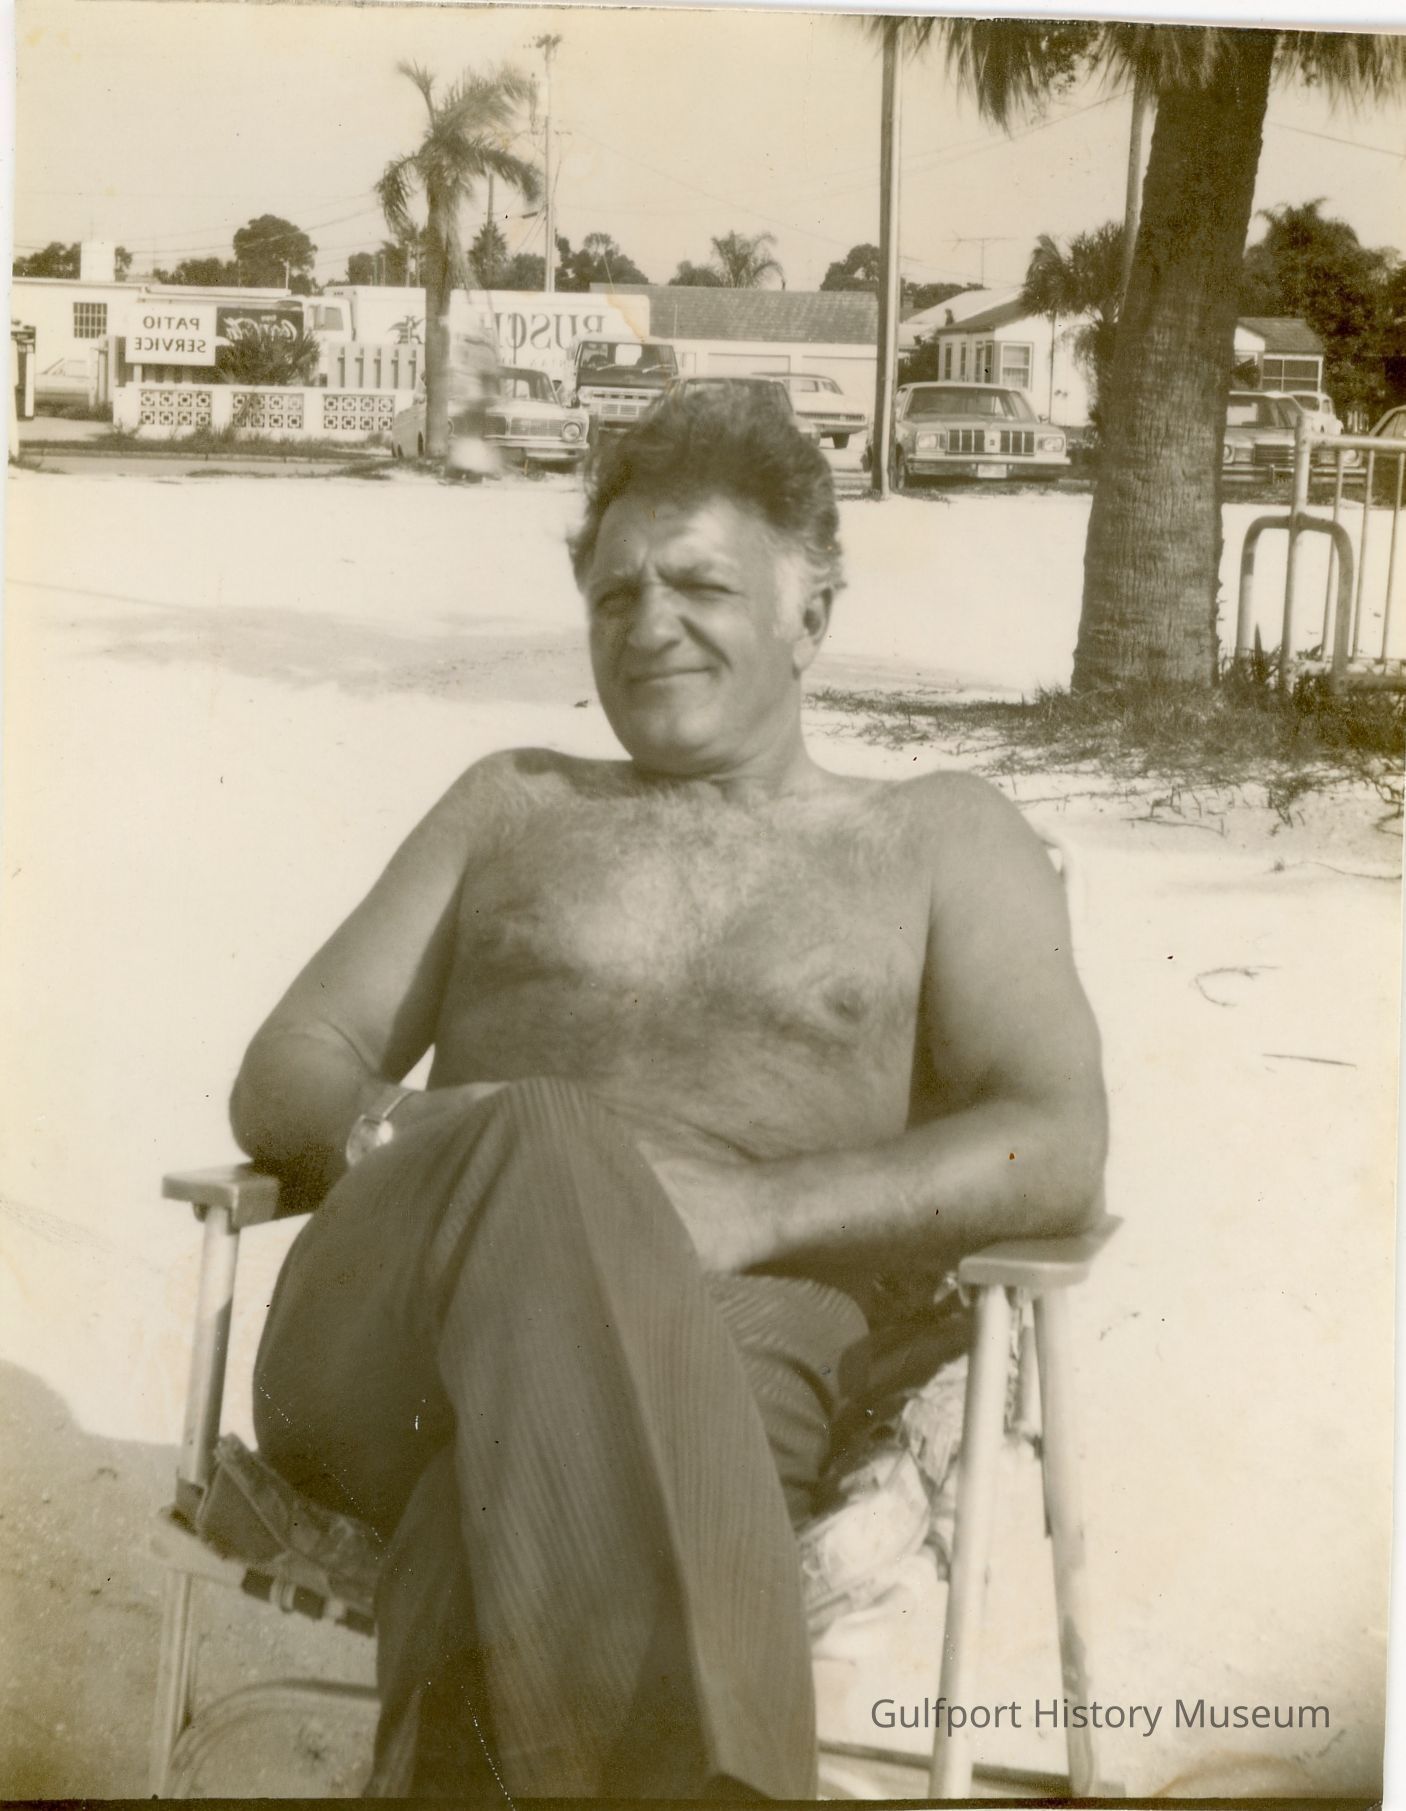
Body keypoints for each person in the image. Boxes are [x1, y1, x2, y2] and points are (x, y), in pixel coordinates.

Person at [234, 387, 1107, 1798]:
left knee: (516, 1501)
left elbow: (1055, 1139)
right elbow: (290, 1063)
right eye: (615, 593)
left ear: (811, 615)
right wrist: (425, 1133)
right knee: (546, 1137)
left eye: (700, 586)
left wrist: (756, 1210)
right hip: (390, 1349)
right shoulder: (510, 804)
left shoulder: (939, 840)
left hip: (735, 1346)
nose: (648, 624)